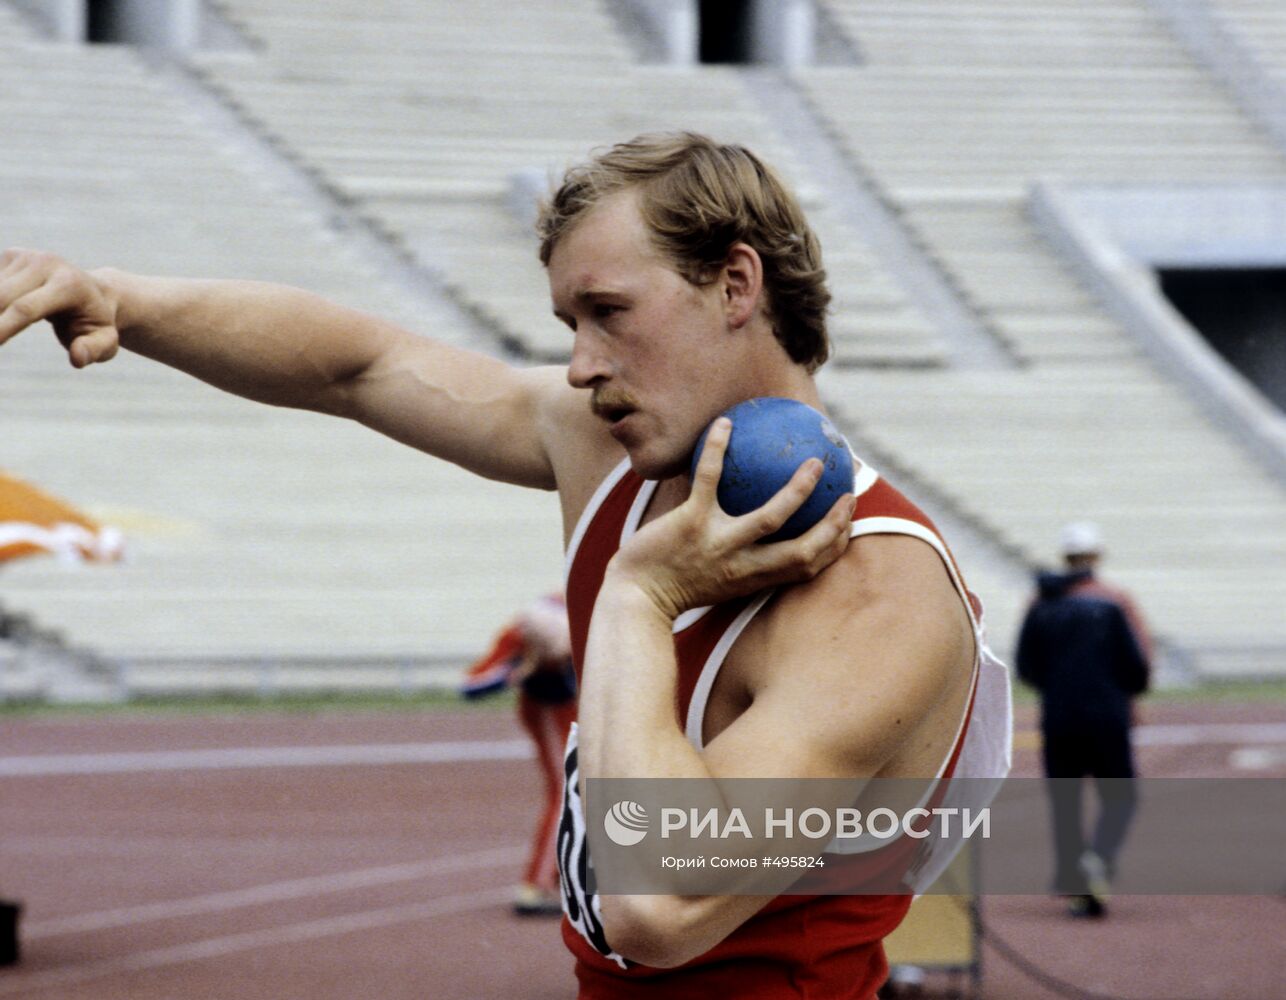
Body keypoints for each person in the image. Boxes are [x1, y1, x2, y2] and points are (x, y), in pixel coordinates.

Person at [0, 132, 1011, 998]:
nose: (577, 364)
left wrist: (637, 597)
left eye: (608, 311)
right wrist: (116, 297)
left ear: (735, 284)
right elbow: (359, 367)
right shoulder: (610, 448)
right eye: (568, 323)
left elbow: (658, 903)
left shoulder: (877, 593)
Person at [1016, 521, 1151, 918]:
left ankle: (1073, 878)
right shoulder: (1113, 601)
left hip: (1058, 715)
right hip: (1107, 715)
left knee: (1065, 799)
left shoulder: (1039, 603)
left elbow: (1026, 665)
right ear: (1097, 556)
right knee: (1120, 795)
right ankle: (1098, 857)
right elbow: (1137, 665)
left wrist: (1057, 688)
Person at [461, 593, 577, 917]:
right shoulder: (531, 625)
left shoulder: (595, 606)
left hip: (582, 711)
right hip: (550, 711)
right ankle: (535, 885)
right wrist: (516, 670)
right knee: (568, 790)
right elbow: (471, 686)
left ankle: (568, 877)